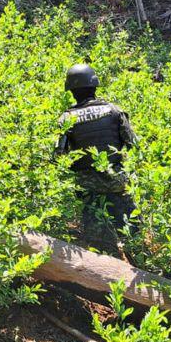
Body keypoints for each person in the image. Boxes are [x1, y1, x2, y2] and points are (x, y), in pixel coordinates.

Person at [55, 64, 138, 254]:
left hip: (87, 188)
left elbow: (59, 155)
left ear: (72, 91)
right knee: (133, 234)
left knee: (101, 245)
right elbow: (133, 144)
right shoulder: (114, 110)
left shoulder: (66, 118)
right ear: (95, 85)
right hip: (116, 181)